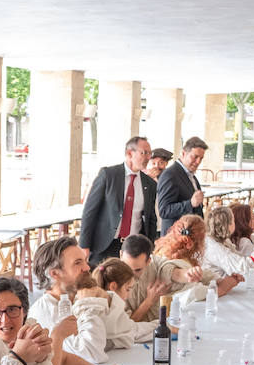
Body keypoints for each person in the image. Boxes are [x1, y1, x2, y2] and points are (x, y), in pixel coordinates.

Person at [0, 277, 123, 365]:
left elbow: (63, 359)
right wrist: (58, 336)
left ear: (25, 311)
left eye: (12, 310)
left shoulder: (28, 329)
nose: (4, 320)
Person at [28, 236, 112, 363]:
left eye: (85, 260)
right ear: (55, 274)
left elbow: (124, 335)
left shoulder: (77, 297)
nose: (87, 268)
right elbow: (92, 355)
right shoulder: (45, 312)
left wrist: (108, 298)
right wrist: (87, 305)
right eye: (78, 263)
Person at [79, 136, 158, 266]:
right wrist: (84, 245)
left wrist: (149, 247)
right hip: (105, 245)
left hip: (133, 247)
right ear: (129, 153)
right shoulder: (109, 175)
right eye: (144, 153)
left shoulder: (149, 184)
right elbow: (90, 211)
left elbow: (151, 218)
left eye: (150, 153)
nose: (148, 157)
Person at [90, 259, 159, 348]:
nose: (128, 295)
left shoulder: (102, 305)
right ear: (113, 286)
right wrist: (165, 325)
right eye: (127, 289)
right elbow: (133, 331)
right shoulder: (105, 314)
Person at [156, 136, 209, 232]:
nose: (198, 162)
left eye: (201, 158)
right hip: (175, 239)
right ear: (183, 153)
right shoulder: (170, 175)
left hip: (190, 237)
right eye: (195, 156)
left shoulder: (191, 176)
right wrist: (190, 203)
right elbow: (164, 211)